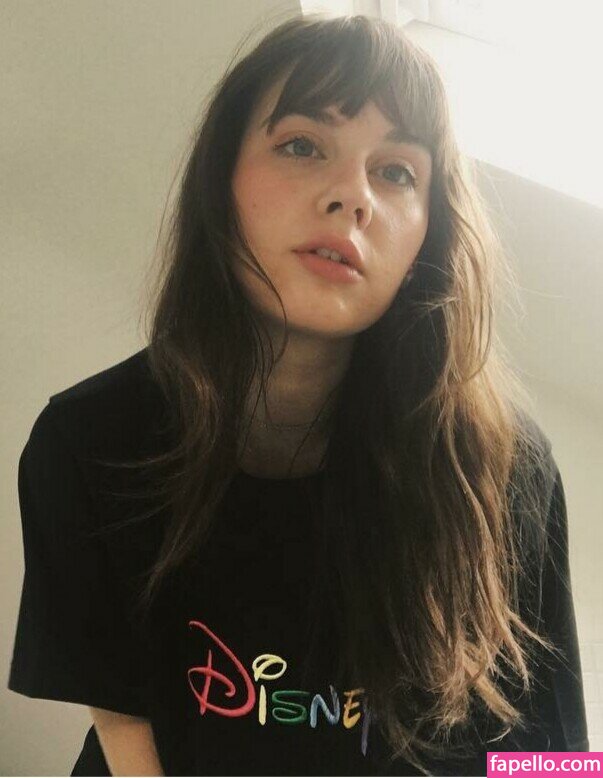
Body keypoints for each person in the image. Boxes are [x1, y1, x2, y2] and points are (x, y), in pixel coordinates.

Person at [7, 12, 589, 777]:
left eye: (396, 172)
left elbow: (550, 755)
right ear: (221, 179)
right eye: (303, 145)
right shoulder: (88, 441)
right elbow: (119, 709)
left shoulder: (503, 466)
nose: (352, 195)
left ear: (430, 232)